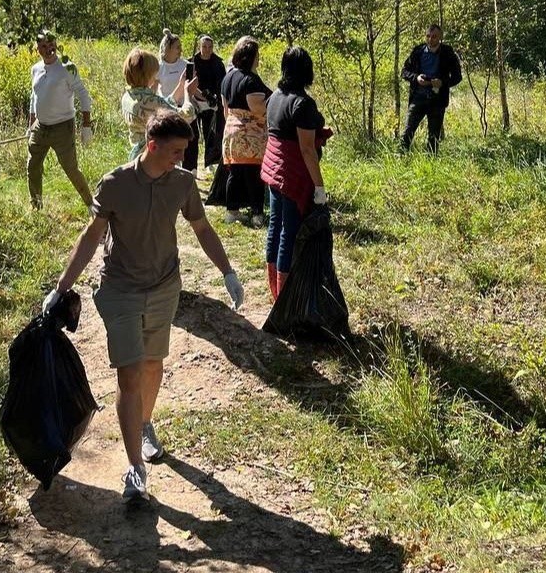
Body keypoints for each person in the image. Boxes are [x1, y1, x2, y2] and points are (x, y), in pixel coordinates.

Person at [41, 111, 245, 501]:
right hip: (120, 289)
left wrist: (228, 271)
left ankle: (145, 423)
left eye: (185, 151)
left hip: (164, 287)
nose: (181, 159)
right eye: (174, 151)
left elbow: (201, 228)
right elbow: (90, 237)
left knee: (153, 364)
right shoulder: (116, 183)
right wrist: (60, 287)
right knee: (129, 374)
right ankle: (135, 469)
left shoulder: (183, 182)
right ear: (152, 146)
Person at [260, 46, 332, 299]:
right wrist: (320, 188)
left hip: (272, 171)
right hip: (290, 176)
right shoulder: (302, 103)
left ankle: (274, 290)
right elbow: (306, 151)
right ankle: (285, 298)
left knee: (275, 227)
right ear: (307, 71)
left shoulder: (275, 97)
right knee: (287, 233)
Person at [27, 29, 94, 210]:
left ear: (56, 45)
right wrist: (31, 123)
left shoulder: (67, 68)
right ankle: (36, 207)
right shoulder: (35, 69)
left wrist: (86, 125)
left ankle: (91, 205)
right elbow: (34, 97)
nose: (49, 49)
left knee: (70, 169)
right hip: (40, 127)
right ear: (38, 49)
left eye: (51, 45)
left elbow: (83, 94)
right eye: (44, 46)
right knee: (32, 167)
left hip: (62, 127)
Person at [221, 36, 272, 226]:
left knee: (235, 173)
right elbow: (257, 107)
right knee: (254, 175)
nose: (259, 58)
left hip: (231, 131)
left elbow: (225, 109)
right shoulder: (251, 80)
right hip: (251, 134)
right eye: (257, 55)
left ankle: (231, 211)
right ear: (251, 57)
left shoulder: (228, 78)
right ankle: (257, 214)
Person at [120, 48, 196, 160]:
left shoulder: (128, 96)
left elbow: (164, 105)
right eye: (154, 73)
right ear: (147, 74)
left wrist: (180, 85)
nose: (156, 76)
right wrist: (187, 93)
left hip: (137, 156)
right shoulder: (148, 101)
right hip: (154, 159)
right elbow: (186, 115)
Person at [400, 24, 462, 155]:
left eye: (434, 37)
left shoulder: (447, 53)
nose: (430, 39)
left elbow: (457, 77)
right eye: (428, 36)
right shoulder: (418, 51)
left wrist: (442, 83)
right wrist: (416, 78)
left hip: (437, 100)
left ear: (440, 37)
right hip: (418, 97)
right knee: (407, 132)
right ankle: (400, 157)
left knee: (433, 137)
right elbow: (404, 71)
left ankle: (431, 164)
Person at [188, 35, 227, 175]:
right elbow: (187, 82)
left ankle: (210, 162)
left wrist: (216, 99)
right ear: (200, 47)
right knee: (193, 134)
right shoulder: (191, 62)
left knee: (210, 133)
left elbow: (222, 84)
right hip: (193, 101)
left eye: (210, 47)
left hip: (211, 102)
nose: (207, 50)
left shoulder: (218, 63)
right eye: (204, 46)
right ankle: (192, 167)